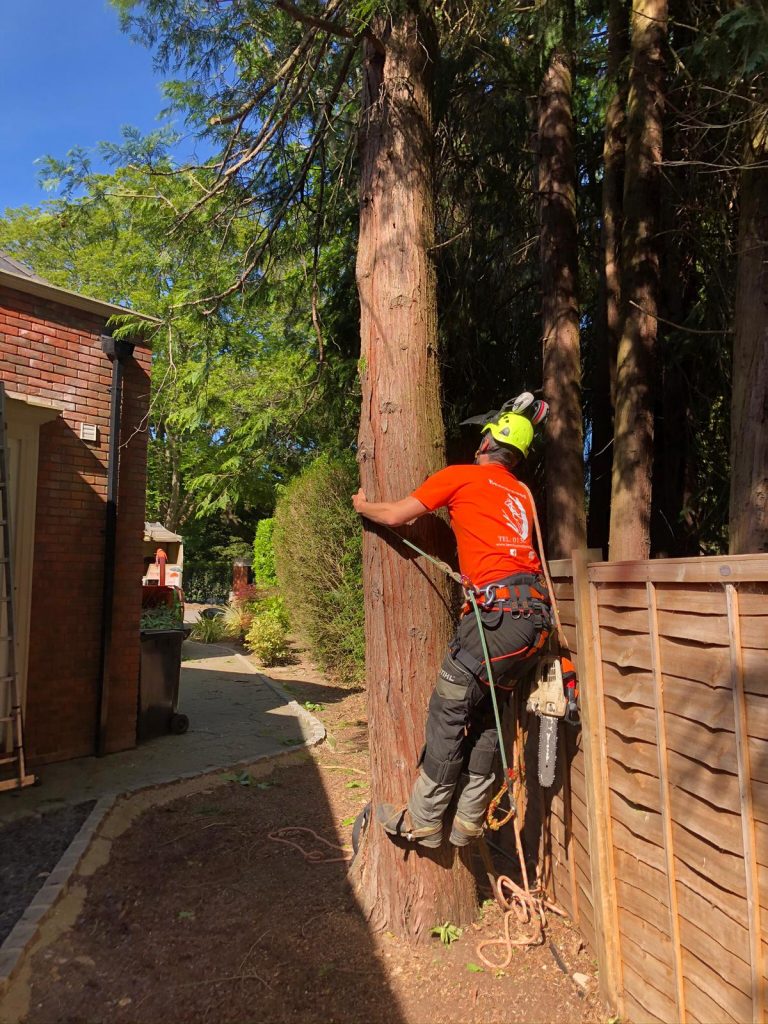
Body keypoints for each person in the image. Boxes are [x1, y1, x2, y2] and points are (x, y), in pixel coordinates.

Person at [352, 404, 552, 849]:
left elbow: (397, 516)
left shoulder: (462, 476)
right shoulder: (522, 494)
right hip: (533, 619)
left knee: (449, 706)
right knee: (487, 714)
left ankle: (422, 819)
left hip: (498, 619)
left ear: (487, 443)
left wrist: (364, 505)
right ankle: (467, 822)